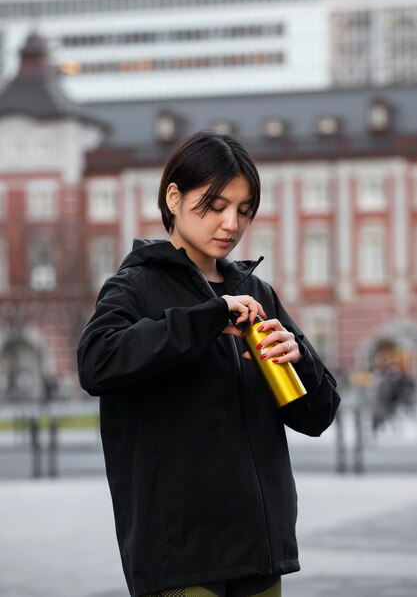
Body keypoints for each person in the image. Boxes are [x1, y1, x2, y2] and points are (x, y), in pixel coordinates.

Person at [77, 131, 340, 597]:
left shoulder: (257, 294)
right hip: (179, 556)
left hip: (260, 551)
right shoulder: (135, 285)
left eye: (243, 210)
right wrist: (204, 319)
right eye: (215, 205)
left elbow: (317, 416)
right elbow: (97, 361)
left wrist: (301, 360)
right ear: (173, 197)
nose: (231, 223)